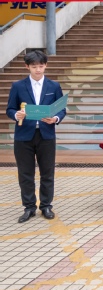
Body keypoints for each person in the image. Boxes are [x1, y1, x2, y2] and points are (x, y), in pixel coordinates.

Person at [6, 50, 66, 223]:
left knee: (47, 172)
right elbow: (10, 109)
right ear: (27, 67)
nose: (38, 70)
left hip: (46, 135)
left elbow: (61, 109)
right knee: (25, 173)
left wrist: (55, 118)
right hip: (23, 135)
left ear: (45, 65)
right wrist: (16, 114)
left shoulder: (54, 86)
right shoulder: (18, 86)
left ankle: (46, 206)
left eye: (41, 66)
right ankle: (29, 207)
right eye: (34, 67)